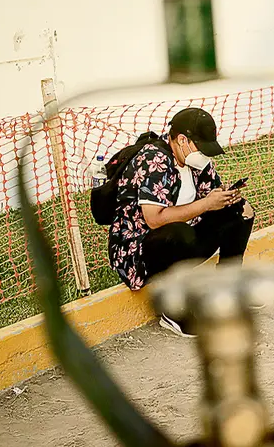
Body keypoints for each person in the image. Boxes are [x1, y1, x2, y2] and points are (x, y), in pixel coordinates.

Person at [108, 107, 255, 337]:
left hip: (185, 235)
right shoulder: (154, 159)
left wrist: (224, 197)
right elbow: (154, 219)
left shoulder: (196, 161)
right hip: (140, 251)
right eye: (201, 148)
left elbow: (210, 194)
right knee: (177, 232)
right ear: (182, 140)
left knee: (241, 211)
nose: (205, 155)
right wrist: (207, 204)